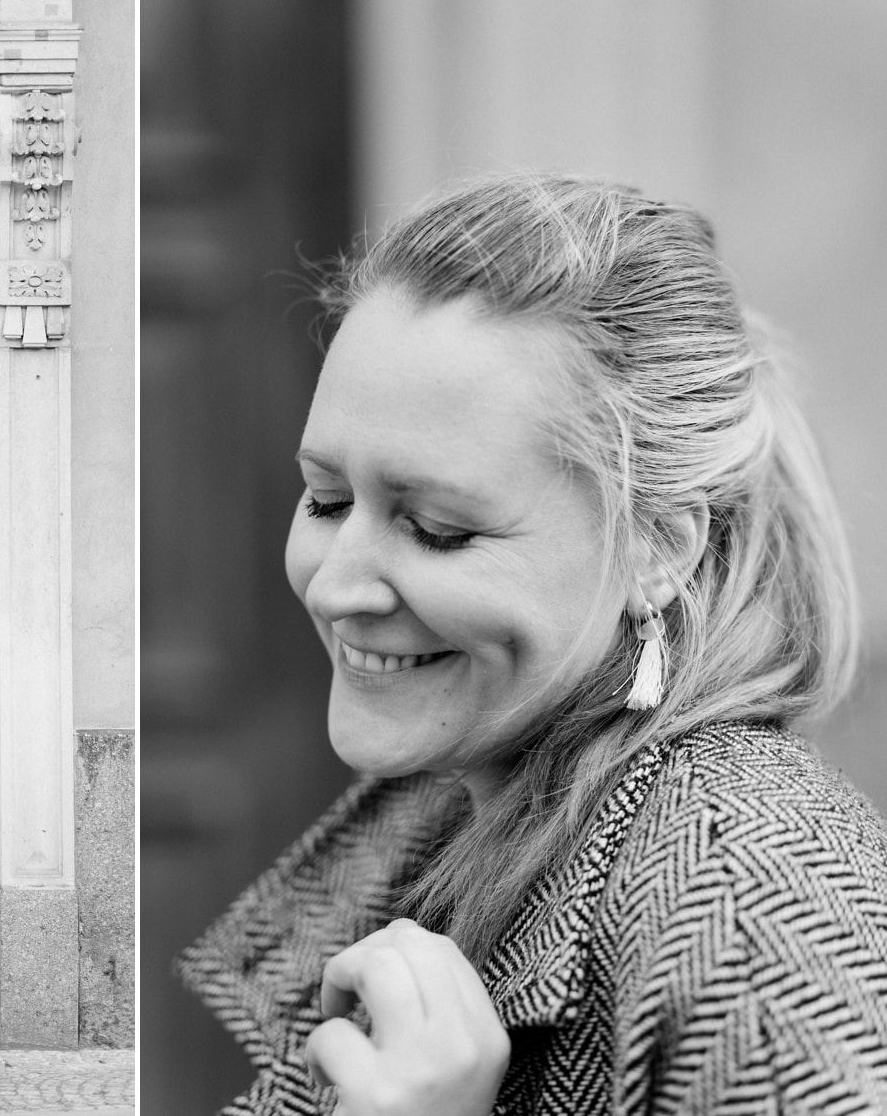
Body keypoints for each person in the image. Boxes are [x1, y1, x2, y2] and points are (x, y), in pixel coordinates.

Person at [178, 174, 887, 1115]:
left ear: (658, 544)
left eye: (435, 526)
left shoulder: (755, 919)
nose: (339, 584)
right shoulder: (459, 808)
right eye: (327, 500)